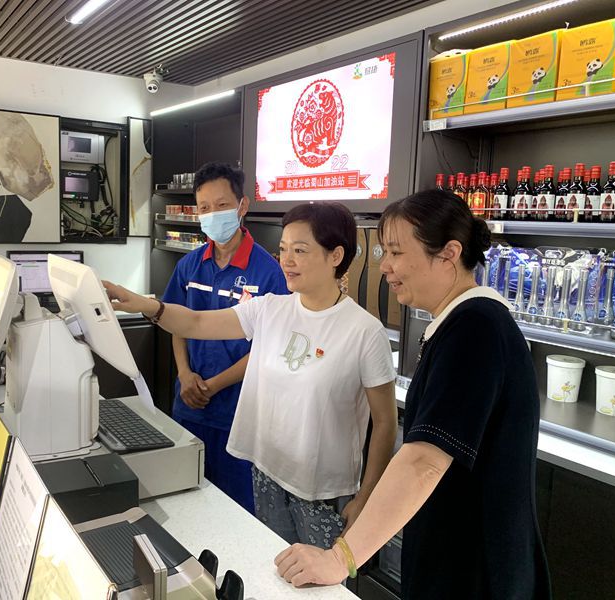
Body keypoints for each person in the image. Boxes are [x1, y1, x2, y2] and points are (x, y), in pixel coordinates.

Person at [274, 190, 551, 599]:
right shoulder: (459, 323)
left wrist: (340, 558)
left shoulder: (475, 328)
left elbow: (424, 459)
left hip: (476, 572)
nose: (385, 265)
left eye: (396, 252)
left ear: (449, 254)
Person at [105, 201, 397, 550]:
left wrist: (367, 496)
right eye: (283, 249)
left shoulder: (364, 332)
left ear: (336, 255)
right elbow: (195, 323)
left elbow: (385, 423)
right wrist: (146, 305)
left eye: (300, 250)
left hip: (323, 491)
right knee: (273, 565)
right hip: (267, 472)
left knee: (322, 576)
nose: (286, 260)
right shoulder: (270, 309)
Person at [162, 162, 287, 513]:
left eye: (221, 205)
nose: (213, 214)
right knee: (184, 504)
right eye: (204, 208)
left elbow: (268, 346)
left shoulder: (268, 273)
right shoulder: (189, 266)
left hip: (237, 415)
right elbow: (177, 324)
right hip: (189, 405)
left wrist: (214, 385)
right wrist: (184, 374)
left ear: (242, 205)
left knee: (235, 511)